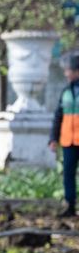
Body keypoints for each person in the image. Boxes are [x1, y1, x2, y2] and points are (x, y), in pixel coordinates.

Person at [58, 51, 79, 220]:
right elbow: (58, 116)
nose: (66, 73)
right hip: (68, 140)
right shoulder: (65, 91)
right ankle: (70, 205)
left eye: (69, 70)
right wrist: (53, 138)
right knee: (68, 174)